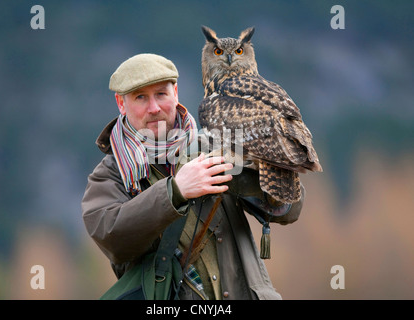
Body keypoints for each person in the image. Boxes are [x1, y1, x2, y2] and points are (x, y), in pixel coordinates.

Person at [81, 53, 304, 300]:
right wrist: (175, 192)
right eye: (141, 97)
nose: (154, 107)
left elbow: (289, 209)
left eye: (161, 94)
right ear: (121, 103)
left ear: (175, 92)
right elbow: (112, 237)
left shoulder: (217, 144)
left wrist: (264, 170)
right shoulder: (111, 174)